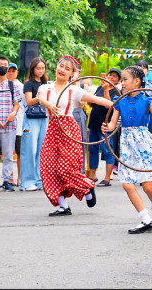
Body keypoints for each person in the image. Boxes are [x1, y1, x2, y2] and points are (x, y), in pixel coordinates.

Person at [102, 66, 152, 232]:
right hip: (126, 145)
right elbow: (112, 124)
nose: (122, 83)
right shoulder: (120, 102)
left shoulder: (147, 99)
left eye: (125, 79)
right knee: (127, 185)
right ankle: (145, 218)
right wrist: (107, 128)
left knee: (147, 186)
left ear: (137, 82)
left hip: (143, 144)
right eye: (122, 80)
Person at [37, 56, 112, 216]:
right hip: (52, 130)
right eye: (60, 66)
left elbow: (98, 100)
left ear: (72, 74)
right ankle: (62, 206)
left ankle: (87, 185)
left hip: (69, 130)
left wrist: (116, 103)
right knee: (47, 169)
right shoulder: (45, 88)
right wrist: (50, 105)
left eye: (67, 68)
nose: (62, 70)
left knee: (64, 168)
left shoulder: (74, 90)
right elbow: (41, 100)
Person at [0, 57, 22, 192]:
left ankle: (7, 180)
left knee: (8, 154)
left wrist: (13, 113)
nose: (3, 68)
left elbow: (17, 104)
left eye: (5, 65)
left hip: (10, 125)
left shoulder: (13, 86)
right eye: (0, 65)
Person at [87, 67, 122, 186]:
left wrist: (106, 90)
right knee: (92, 149)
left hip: (106, 125)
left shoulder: (117, 92)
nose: (111, 77)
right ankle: (92, 174)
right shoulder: (99, 88)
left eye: (114, 76)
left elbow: (110, 107)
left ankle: (107, 178)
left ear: (118, 80)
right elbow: (91, 103)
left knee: (108, 150)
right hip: (94, 122)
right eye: (109, 75)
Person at [21, 57, 48, 192]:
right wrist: (41, 96)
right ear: (33, 69)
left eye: (43, 68)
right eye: (38, 68)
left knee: (42, 151)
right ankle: (27, 182)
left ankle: (40, 180)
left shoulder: (46, 83)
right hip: (31, 118)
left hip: (45, 117)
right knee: (29, 150)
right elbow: (28, 101)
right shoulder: (29, 83)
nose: (41, 71)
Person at [6, 62, 25, 188]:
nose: (11, 73)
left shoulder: (21, 86)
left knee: (20, 153)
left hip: (19, 124)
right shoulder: (1, 86)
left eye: (13, 71)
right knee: (7, 153)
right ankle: (9, 178)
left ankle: (20, 177)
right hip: (6, 124)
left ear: (17, 73)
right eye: (9, 71)